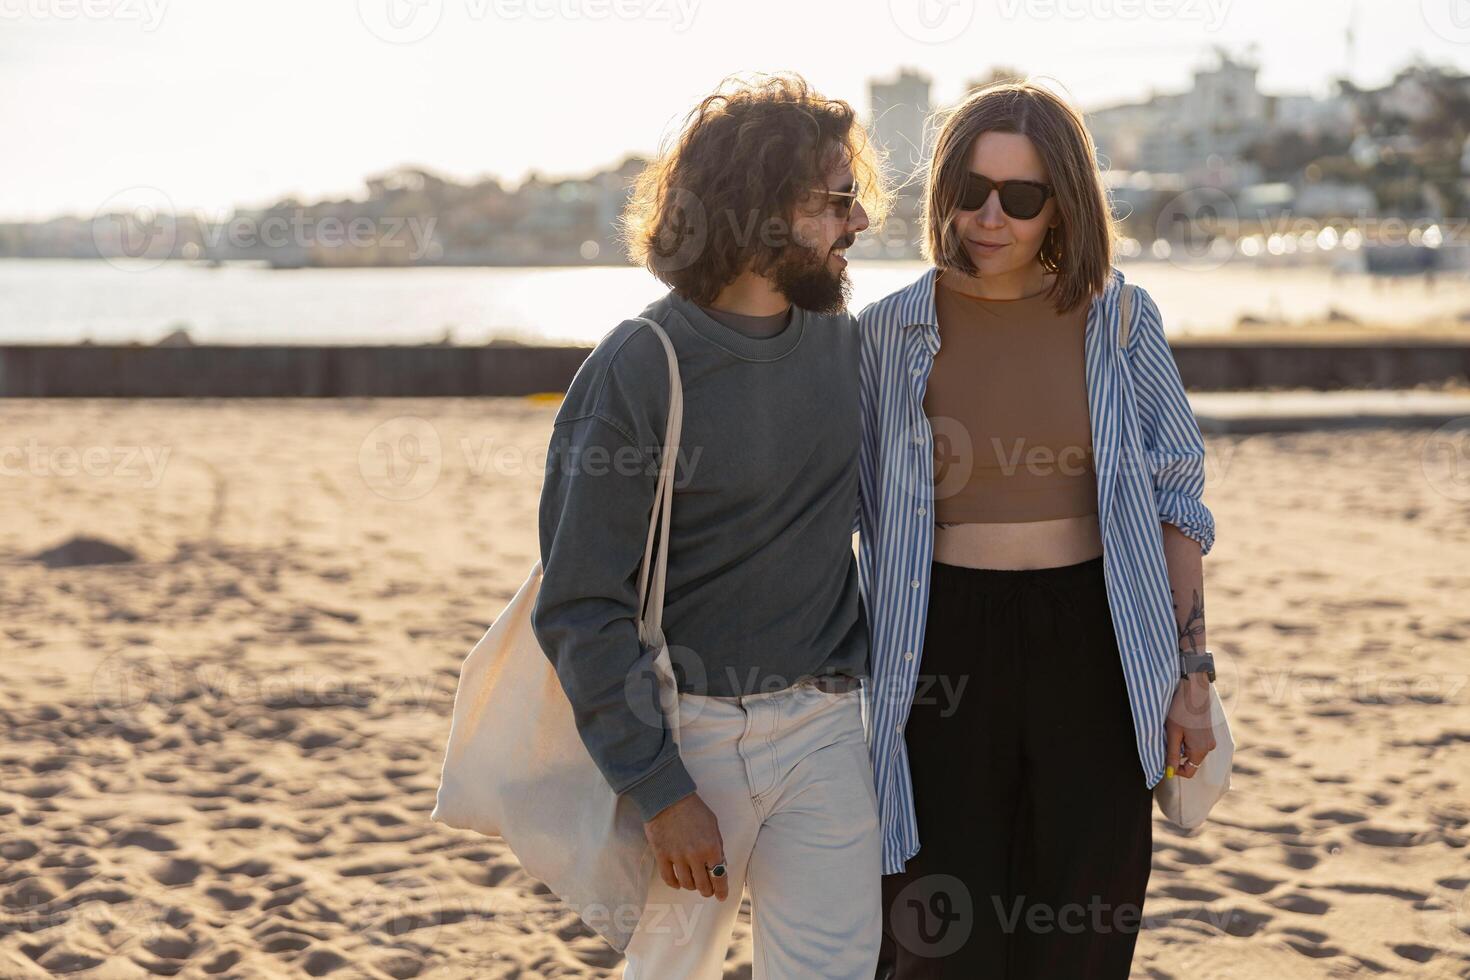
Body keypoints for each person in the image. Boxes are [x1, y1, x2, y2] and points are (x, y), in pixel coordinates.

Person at [531, 73, 893, 978]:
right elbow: (580, 602)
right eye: (838, 201)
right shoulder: (638, 367)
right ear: (761, 204)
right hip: (686, 736)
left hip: (827, 725)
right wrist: (658, 791)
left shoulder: (849, 347)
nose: (859, 223)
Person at [857, 80, 1220, 978]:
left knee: (1084, 931)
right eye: (970, 190)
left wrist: (1192, 675)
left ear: (1062, 204)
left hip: (1095, 641)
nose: (990, 216)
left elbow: (1179, 502)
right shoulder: (884, 333)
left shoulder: (1121, 320)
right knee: (939, 934)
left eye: (1021, 198)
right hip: (938, 646)